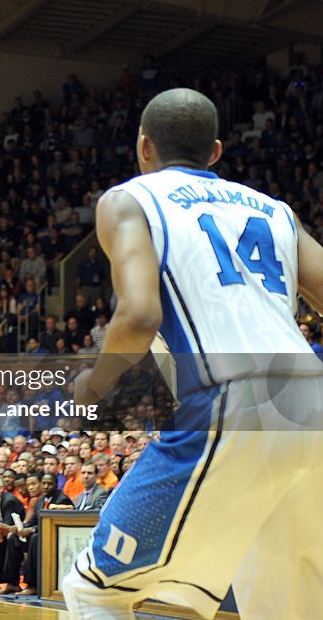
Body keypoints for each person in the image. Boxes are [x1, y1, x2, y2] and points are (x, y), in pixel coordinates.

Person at [65, 88, 323, 620]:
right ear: (215, 152)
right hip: (313, 404)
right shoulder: (276, 211)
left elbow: (138, 315)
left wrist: (95, 382)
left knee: (96, 591)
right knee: (284, 605)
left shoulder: (129, 199)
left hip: (232, 399)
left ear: (143, 147)